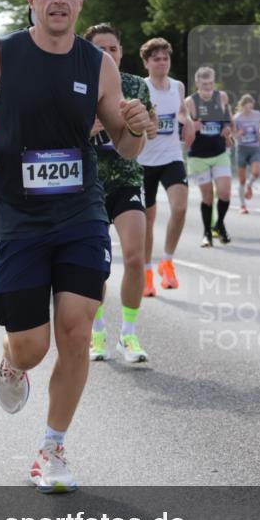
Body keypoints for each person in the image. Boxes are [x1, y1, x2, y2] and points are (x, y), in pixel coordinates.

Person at [0, 0, 150, 493]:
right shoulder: (0, 54)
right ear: (32, 1)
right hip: (19, 214)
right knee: (32, 346)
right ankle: (11, 361)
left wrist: (137, 128)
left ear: (80, 1)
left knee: (76, 330)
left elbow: (125, 146)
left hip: (80, 211)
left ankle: (52, 448)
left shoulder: (98, 64)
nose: (59, 0)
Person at [83, 24, 156, 362]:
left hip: (126, 177)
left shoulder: (136, 85)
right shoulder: (77, 83)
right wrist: (86, 129)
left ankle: (128, 334)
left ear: (121, 52)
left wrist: (144, 127)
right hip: (88, 184)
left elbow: (150, 129)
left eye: (113, 48)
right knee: (96, 266)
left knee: (135, 256)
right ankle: (97, 332)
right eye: (100, 49)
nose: (107, 54)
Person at [136, 37, 195, 295]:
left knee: (180, 207)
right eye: (156, 59)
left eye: (165, 58)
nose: (162, 63)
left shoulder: (177, 86)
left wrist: (188, 121)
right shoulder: (141, 87)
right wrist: (147, 123)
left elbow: (181, 112)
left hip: (171, 157)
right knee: (148, 221)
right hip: (144, 161)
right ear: (146, 63)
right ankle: (147, 272)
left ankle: (167, 261)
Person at [185, 67, 233, 247]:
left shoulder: (221, 97)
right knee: (207, 196)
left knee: (225, 192)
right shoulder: (190, 102)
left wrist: (227, 129)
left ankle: (219, 224)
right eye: (204, 84)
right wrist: (192, 126)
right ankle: (207, 233)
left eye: (211, 84)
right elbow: (182, 128)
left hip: (219, 152)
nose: (207, 87)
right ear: (197, 83)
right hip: (198, 156)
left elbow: (227, 119)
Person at [233, 94, 260, 214]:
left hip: (254, 148)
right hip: (242, 149)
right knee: (241, 180)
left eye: (251, 107)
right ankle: (242, 205)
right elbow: (233, 135)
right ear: (242, 106)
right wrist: (238, 134)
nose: (249, 110)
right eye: (246, 107)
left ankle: (249, 186)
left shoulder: (257, 115)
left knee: (256, 172)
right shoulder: (237, 118)